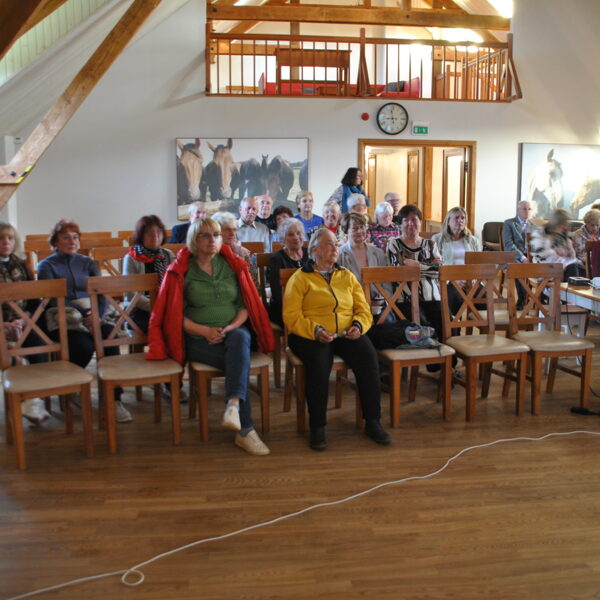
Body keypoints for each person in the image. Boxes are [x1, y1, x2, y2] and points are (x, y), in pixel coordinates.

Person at [147, 218, 275, 455]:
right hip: (198, 340)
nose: (212, 240)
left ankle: (234, 406)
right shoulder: (181, 270)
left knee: (240, 338)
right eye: (205, 235)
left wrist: (229, 328)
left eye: (216, 235)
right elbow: (174, 315)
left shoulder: (231, 266)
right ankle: (245, 430)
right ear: (194, 240)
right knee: (239, 361)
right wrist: (204, 331)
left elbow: (244, 306)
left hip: (232, 333)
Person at [284, 228, 391, 451]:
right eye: (329, 244)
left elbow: (363, 309)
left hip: (345, 331)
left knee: (368, 358)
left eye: (336, 244)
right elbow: (291, 316)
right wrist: (315, 331)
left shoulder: (347, 276)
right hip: (310, 334)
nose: (335, 248)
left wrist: (358, 326)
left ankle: (373, 421)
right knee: (319, 363)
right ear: (315, 250)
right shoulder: (300, 278)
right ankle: (317, 426)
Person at [37, 219, 132, 423]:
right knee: (83, 346)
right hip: (64, 315)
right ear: (55, 242)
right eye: (66, 237)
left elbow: (100, 292)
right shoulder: (46, 265)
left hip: (93, 312)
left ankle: (114, 399)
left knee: (109, 338)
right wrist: (84, 313)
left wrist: (96, 314)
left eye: (75, 237)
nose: (72, 241)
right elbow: (53, 297)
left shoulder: (87, 262)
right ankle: (73, 388)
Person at [0, 223, 50, 424]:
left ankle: (33, 400)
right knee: (12, 354)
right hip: (2, 327)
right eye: (1, 238)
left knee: (39, 347)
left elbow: (33, 302)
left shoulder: (22, 265)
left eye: (10, 238)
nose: (6, 242)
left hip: (22, 323)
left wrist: (23, 320)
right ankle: (29, 401)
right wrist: (4, 326)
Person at [387, 205, 444, 342]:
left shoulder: (430, 244)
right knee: (422, 328)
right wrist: (429, 266)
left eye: (414, 219)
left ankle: (444, 354)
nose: (410, 223)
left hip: (432, 297)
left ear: (420, 221)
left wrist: (416, 265)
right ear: (400, 224)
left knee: (446, 324)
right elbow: (398, 273)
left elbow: (440, 271)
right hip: (405, 298)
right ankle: (432, 353)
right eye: (406, 220)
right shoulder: (394, 244)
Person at [122, 215, 175, 333]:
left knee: (183, 325)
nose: (155, 236)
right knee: (164, 328)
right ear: (141, 236)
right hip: (140, 308)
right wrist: (156, 306)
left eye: (159, 232)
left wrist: (168, 304)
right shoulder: (131, 258)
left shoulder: (168, 255)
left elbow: (176, 284)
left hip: (166, 306)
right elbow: (130, 294)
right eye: (150, 233)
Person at [432, 207, 482, 314]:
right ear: (448, 221)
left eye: (463, 218)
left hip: (471, 279)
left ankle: (479, 322)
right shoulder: (437, 239)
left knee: (483, 296)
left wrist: (474, 278)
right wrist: (453, 280)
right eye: (456, 218)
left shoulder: (473, 240)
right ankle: (454, 324)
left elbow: (479, 263)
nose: (460, 220)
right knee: (454, 297)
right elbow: (436, 265)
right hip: (448, 280)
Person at [338, 213, 389, 303]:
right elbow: (338, 286)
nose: (359, 231)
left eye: (362, 227)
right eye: (355, 228)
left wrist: (384, 300)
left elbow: (387, 283)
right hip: (350, 304)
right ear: (345, 231)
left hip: (377, 304)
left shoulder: (378, 253)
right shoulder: (339, 254)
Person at [268, 218, 309, 326]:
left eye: (299, 233)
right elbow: (277, 294)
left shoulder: (310, 254)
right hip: (285, 309)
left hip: (309, 306)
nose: (296, 237)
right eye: (290, 234)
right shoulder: (276, 259)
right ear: (283, 239)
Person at [213, 211, 260, 290]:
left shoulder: (243, 253)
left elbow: (255, 287)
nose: (232, 233)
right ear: (216, 231)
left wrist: (241, 258)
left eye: (234, 229)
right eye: (227, 229)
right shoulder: (209, 254)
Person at [530, 208, 579, 281]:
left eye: (565, 224)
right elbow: (537, 252)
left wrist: (570, 251)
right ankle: (565, 287)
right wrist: (555, 251)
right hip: (544, 265)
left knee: (574, 266)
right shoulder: (540, 231)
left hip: (562, 264)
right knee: (571, 268)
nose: (564, 226)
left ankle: (569, 287)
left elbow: (571, 255)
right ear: (556, 222)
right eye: (562, 223)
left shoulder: (563, 234)